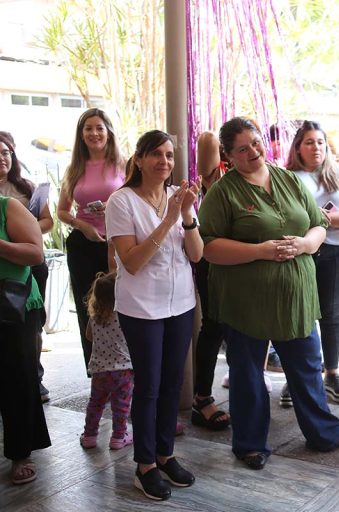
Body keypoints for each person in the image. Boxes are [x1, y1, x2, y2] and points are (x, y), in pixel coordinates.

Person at [198, 117, 339, 472]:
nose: (253, 151)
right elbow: (208, 247)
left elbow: (319, 224)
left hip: (296, 295)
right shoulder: (223, 193)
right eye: (242, 149)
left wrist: (305, 244)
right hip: (246, 301)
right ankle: (250, 444)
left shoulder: (288, 180)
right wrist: (260, 251)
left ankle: (324, 433)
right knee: (248, 374)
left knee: (307, 367)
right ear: (229, 156)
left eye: (256, 142)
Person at [105, 130, 202, 501]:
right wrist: (168, 220)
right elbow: (131, 262)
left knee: (172, 383)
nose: (165, 161)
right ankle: (144, 465)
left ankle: (165, 454)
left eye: (170, 155)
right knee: (149, 385)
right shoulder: (122, 201)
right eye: (157, 154)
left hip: (180, 304)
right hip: (142, 307)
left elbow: (197, 254)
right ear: (139, 159)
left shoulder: (178, 197)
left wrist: (187, 215)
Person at [286, 120, 339, 404]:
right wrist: (323, 220)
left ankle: (332, 374)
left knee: (332, 314)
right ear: (298, 148)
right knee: (302, 314)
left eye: (320, 142)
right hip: (302, 253)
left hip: (335, 253)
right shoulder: (288, 177)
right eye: (309, 142)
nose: (316, 147)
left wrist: (321, 218)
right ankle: (301, 376)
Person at [57, 108, 125, 374]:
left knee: (120, 304)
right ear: (81, 134)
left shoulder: (123, 164)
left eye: (99, 128)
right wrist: (82, 225)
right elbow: (63, 211)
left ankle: (123, 367)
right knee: (89, 308)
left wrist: (113, 205)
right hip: (83, 245)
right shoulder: (74, 168)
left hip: (118, 243)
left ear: (108, 132)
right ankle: (96, 370)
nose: (94, 133)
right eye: (88, 128)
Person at [0, 194, 51, 485]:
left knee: (17, 379)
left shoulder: (7, 206)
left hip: (12, 305)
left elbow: (35, 254)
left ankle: (21, 453)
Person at [0, 132, 53, 401]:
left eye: (6, 153)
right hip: (6, 267)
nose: (2, 158)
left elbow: (48, 222)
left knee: (31, 323)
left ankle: (35, 376)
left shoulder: (26, 187)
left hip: (29, 264)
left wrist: (22, 229)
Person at [190, 131, 231, 431]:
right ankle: (202, 399)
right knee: (214, 326)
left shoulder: (260, 172)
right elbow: (205, 140)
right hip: (213, 259)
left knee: (243, 329)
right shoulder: (217, 173)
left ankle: (247, 389)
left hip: (248, 261)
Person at [80, 272, 134, 450]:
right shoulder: (123, 316)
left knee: (95, 403)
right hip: (123, 370)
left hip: (99, 370)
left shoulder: (95, 317)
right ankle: (118, 437)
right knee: (121, 406)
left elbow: (89, 336)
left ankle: (89, 436)